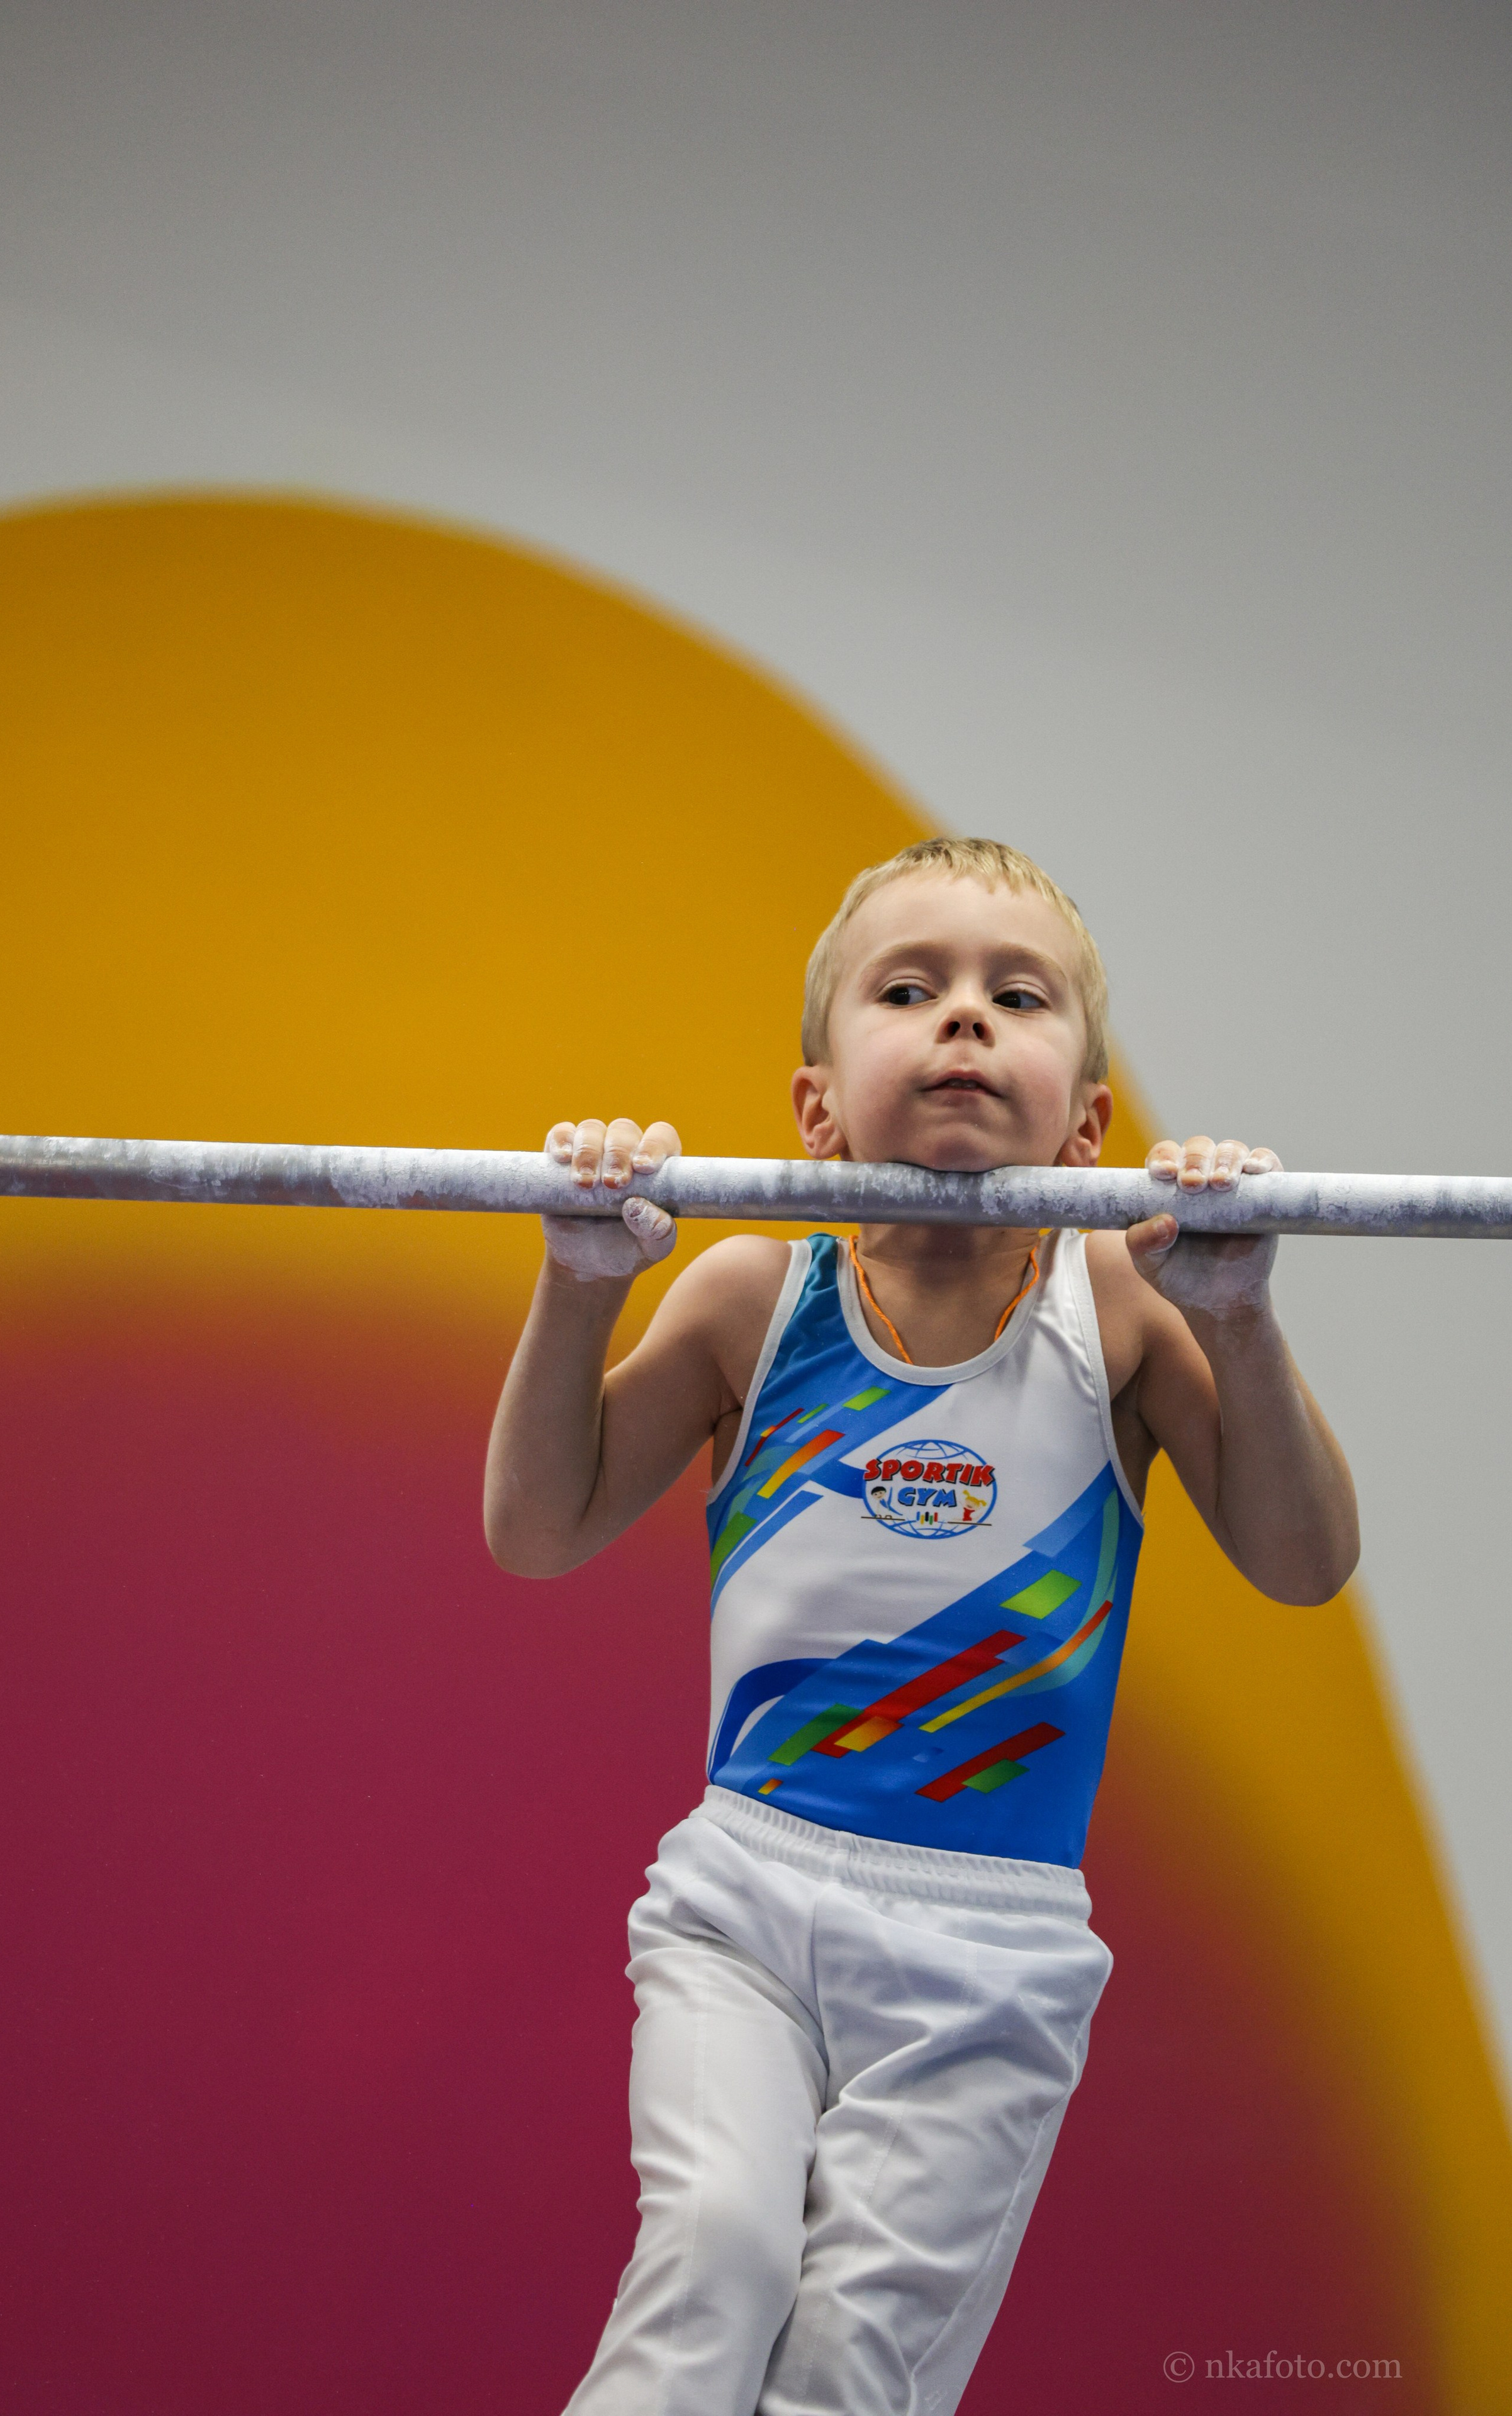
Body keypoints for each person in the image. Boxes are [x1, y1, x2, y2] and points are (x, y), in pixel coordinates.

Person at [484, 836, 1358, 2416]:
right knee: (714, 2264)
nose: (962, 1020)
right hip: (744, 1903)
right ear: (814, 1102)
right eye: (910, 988)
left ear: (1090, 1119)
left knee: (844, 2373)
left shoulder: (1126, 1307)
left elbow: (1301, 1565)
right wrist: (574, 1284)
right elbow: (537, 1530)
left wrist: (1239, 1319)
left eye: (1012, 997)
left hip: (985, 1955)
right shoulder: (755, 1298)